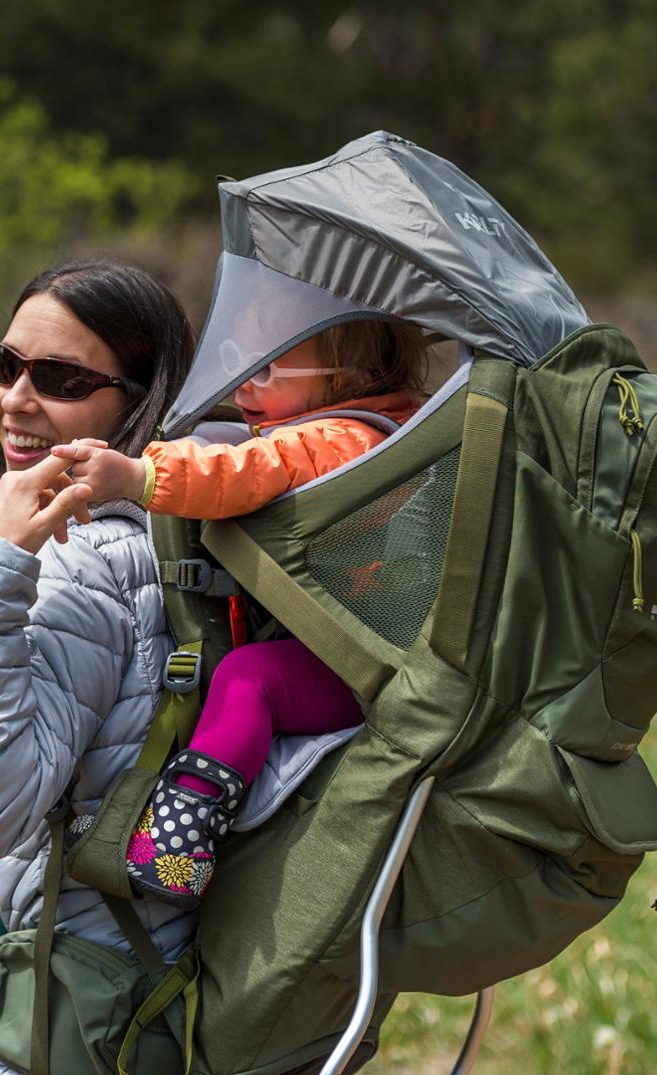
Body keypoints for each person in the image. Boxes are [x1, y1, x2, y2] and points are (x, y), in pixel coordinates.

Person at [0, 261, 195, 1075]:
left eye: (61, 378)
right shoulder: (170, 541)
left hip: (82, 1001)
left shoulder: (85, 559)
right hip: (157, 980)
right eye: (6, 363)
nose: (16, 399)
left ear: (140, 400)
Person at [50, 317, 429, 908]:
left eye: (267, 367)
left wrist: (137, 475)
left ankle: (179, 845)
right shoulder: (403, 424)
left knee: (248, 681)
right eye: (238, 360)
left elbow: (246, 471)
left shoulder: (340, 441)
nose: (244, 383)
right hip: (371, 647)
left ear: (349, 376)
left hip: (365, 667)